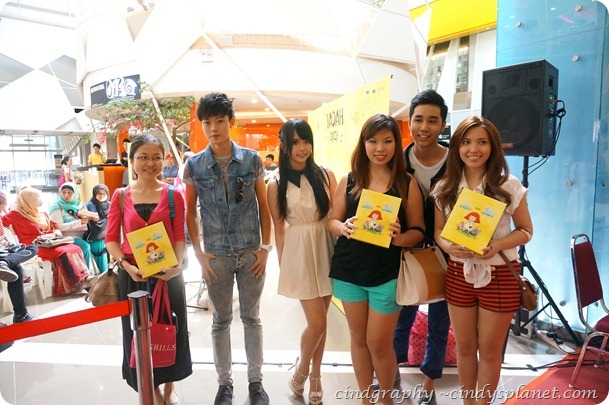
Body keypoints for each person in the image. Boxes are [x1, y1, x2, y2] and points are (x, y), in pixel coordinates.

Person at [432, 116, 533, 405]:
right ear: (456, 147)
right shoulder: (445, 186)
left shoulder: (508, 185)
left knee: (489, 351)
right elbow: (438, 231)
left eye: (482, 142)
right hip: (458, 272)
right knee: (464, 349)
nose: (473, 149)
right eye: (466, 142)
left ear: (493, 147)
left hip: (500, 274)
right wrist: (448, 244)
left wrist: (497, 245)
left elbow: (526, 231)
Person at [328, 114, 425, 405]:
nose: (379, 148)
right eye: (372, 141)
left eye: (387, 141)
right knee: (357, 339)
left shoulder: (406, 183)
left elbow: (419, 231)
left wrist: (400, 237)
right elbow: (332, 221)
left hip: (387, 273)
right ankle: (365, 399)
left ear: (396, 143)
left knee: (379, 343)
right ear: (363, 143)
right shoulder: (349, 180)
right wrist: (344, 227)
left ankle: (385, 398)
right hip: (350, 270)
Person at [184, 92, 272, 405]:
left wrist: (265, 247)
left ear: (230, 121)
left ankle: (256, 383)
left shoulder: (252, 160)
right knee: (220, 321)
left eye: (219, 121)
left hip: (250, 252)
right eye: (207, 122)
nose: (213, 128)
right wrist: (198, 253)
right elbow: (190, 213)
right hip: (216, 255)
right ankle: (225, 385)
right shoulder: (194, 165)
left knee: (251, 318)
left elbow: (263, 206)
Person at [105, 134, 192, 405]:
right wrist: (126, 265)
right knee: (137, 334)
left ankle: (169, 385)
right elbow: (111, 239)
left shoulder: (173, 194)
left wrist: (177, 267)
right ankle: (149, 385)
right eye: (143, 157)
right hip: (133, 278)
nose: (150, 163)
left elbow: (180, 236)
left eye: (156, 157)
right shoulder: (121, 196)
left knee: (171, 328)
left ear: (164, 160)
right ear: (131, 161)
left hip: (168, 277)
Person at [266, 119, 337, 405]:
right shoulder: (275, 184)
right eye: (295, 142)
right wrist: (285, 265)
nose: (302, 148)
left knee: (322, 320)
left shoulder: (325, 175)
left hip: (326, 247)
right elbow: (279, 228)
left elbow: (334, 216)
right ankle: (303, 370)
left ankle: (314, 374)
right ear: (284, 146)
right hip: (298, 252)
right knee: (317, 322)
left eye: (306, 141)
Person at [392, 89, 451, 405]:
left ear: (442, 124)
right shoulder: (396, 161)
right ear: (410, 121)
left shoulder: (457, 161)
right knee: (400, 316)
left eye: (432, 120)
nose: (424, 127)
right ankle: (392, 376)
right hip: (404, 250)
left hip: (449, 252)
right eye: (418, 120)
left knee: (441, 321)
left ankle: (428, 385)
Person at [2, 186, 93, 296]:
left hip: (49, 242)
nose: (41, 200)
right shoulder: (16, 214)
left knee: (75, 248)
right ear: (29, 200)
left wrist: (55, 231)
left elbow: (51, 227)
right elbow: (2, 222)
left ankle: (82, 279)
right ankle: (82, 281)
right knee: (63, 252)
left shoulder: (41, 213)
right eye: (38, 198)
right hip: (33, 246)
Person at [49, 183, 107, 273]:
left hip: (85, 235)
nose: (66, 195)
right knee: (85, 246)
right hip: (68, 237)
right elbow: (59, 227)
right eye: (64, 192)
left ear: (75, 193)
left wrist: (93, 220)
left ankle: (105, 274)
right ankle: (85, 275)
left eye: (69, 192)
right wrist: (79, 222)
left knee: (99, 245)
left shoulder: (80, 205)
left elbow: (87, 222)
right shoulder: (57, 206)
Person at [0, 191, 38, 323]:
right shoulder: (15, 214)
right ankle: (21, 314)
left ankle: (4, 263)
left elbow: (1, 239)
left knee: (32, 248)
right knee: (16, 268)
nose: (2, 210)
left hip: (3, 252)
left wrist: (10, 245)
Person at [84, 184, 110, 273]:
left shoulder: (109, 204)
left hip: (106, 236)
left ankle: (111, 272)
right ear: (95, 194)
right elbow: (97, 225)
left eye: (104, 193)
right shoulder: (90, 205)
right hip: (94, 238)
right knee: (100, 245)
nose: (102, 195)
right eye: (99, 193)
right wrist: (108, 221)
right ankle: (104, 274)